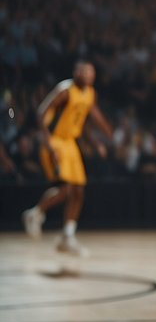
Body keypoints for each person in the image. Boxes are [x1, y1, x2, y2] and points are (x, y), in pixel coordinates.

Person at [21, 61, 114, 256]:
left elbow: (83, 122)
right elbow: (40, 114)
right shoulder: (65, 90)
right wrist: (48, 144)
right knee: (66, 188)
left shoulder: (90, 94)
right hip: (55, 141)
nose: (88, 75)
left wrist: (95, 142)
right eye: (85, 71)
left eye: (91, 72)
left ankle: (67, 236)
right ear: (76, 72)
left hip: (71, 143)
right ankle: (35, 213)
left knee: (78, 191)